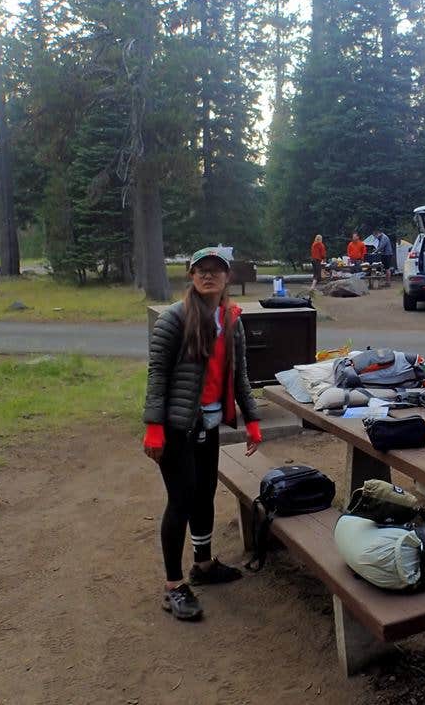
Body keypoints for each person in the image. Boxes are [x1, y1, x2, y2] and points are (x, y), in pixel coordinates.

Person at [143, 247, 262, 622]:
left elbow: (240, 374)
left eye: (216, 270)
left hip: (209, 424)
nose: (209, 275)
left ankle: (204, 565)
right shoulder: (174, 320)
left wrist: (252, 420)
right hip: (178, 426)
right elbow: (157, 377)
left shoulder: (231, 320)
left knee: (205, 493)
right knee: (180, 501)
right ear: (191, 277)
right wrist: (153, 429)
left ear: (227, 277)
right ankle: (173, 586)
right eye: (201, 270)